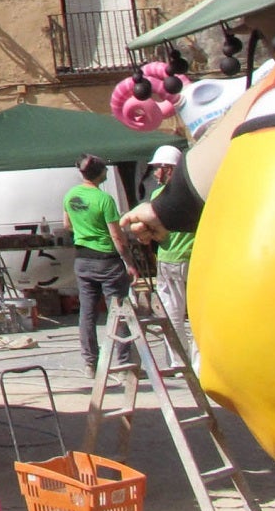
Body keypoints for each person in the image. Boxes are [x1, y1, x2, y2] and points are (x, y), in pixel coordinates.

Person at [65, 154, 137, 373]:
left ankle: (90, 363)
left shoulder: (71, 196)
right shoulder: (104, 199)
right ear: (99, 172)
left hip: (83, 260)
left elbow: (67, 224)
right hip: (107, 260)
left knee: (87, 313)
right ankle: (124, 363)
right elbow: (117, 237)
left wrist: (85, 230)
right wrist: (130, 263)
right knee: (118, 311)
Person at [145, 145, 193, 335]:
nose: (155, 173)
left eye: (157, 168)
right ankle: (199, 363)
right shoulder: (193, 194)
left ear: (169, 169)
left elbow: (157, 233)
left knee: (173, 317)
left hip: (170, 261)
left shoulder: (159, 196)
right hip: (193, 258)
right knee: (198, 315)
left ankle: (177, 361)